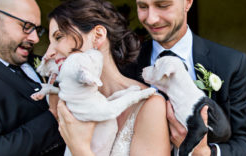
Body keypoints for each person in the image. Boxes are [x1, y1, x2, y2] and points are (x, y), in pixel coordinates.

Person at [122, 0, 246, 155]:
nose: (151, 19)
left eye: (163, 5)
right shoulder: (124, 64)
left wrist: (203, 153)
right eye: (143, 7)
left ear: (188, 2)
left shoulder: (230, 63)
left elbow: (243, 144)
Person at [45, 0, 171, 155]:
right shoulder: (66, 103)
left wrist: (80, 148)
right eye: (49, 42)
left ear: (97, 36)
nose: (49, 52)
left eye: (58, 37)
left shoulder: (150, 105)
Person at [0, 0, 65, 155]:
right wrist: (53, 116)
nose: (35, 38)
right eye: (27, 26)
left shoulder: (44, 62)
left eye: (37, 29)